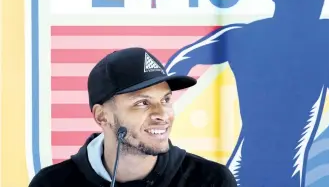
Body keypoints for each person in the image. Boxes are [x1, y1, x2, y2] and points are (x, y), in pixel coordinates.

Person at [165, 0, 329, 187]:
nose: (317, 0)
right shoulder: (324, 36)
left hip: (259, 173)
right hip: (258, 174)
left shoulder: (245, 36)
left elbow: (185, 58)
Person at [29, 47, 237, 187]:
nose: (162, 114)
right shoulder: (51, 183)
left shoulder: (211, 180)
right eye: (142, 103)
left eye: (165, 100)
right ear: (102, 116)